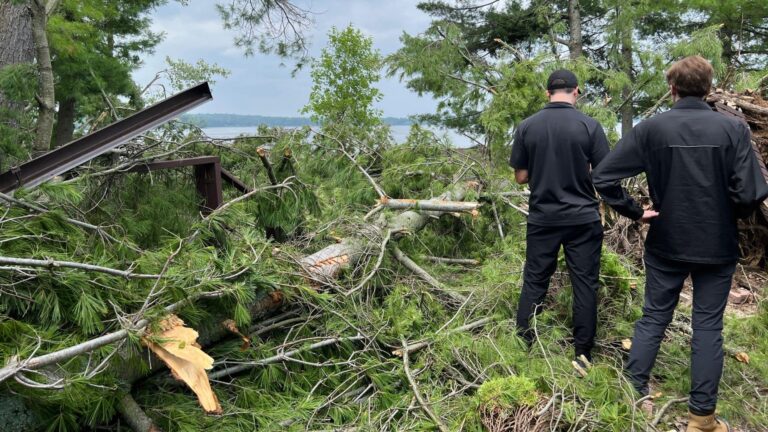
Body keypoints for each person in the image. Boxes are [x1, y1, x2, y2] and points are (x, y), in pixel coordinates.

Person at [592, 55, 768, 432]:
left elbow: (603, 175)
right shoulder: (732, 129)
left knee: (655, 314)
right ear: (708, 87)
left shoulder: (652, 128)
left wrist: (635, 211)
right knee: (708, 327)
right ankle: (701, 418)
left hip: (667, 240)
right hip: (716, 242)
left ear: (671, 88)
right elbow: (753, 191)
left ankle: (632, 393)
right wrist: (727, 212)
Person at [510, 69, 610, 365]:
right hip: (582, 219)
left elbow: (520, 176)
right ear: (576, 91)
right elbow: (604, 176)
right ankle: (582, 354)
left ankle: (523, 347)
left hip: (543, 218)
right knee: (584, 284)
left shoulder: (527, 127)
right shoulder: (590, 126)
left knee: (535, 281)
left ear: (547, 93)